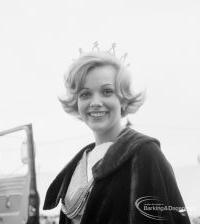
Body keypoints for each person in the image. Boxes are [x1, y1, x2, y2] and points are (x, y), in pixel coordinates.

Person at [43, 43, 190, 224]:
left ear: (122, 99)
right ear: (76, 102)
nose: (95, 102)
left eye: (107, 92)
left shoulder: (145, 155)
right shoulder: (78, 164)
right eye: (85, 94)